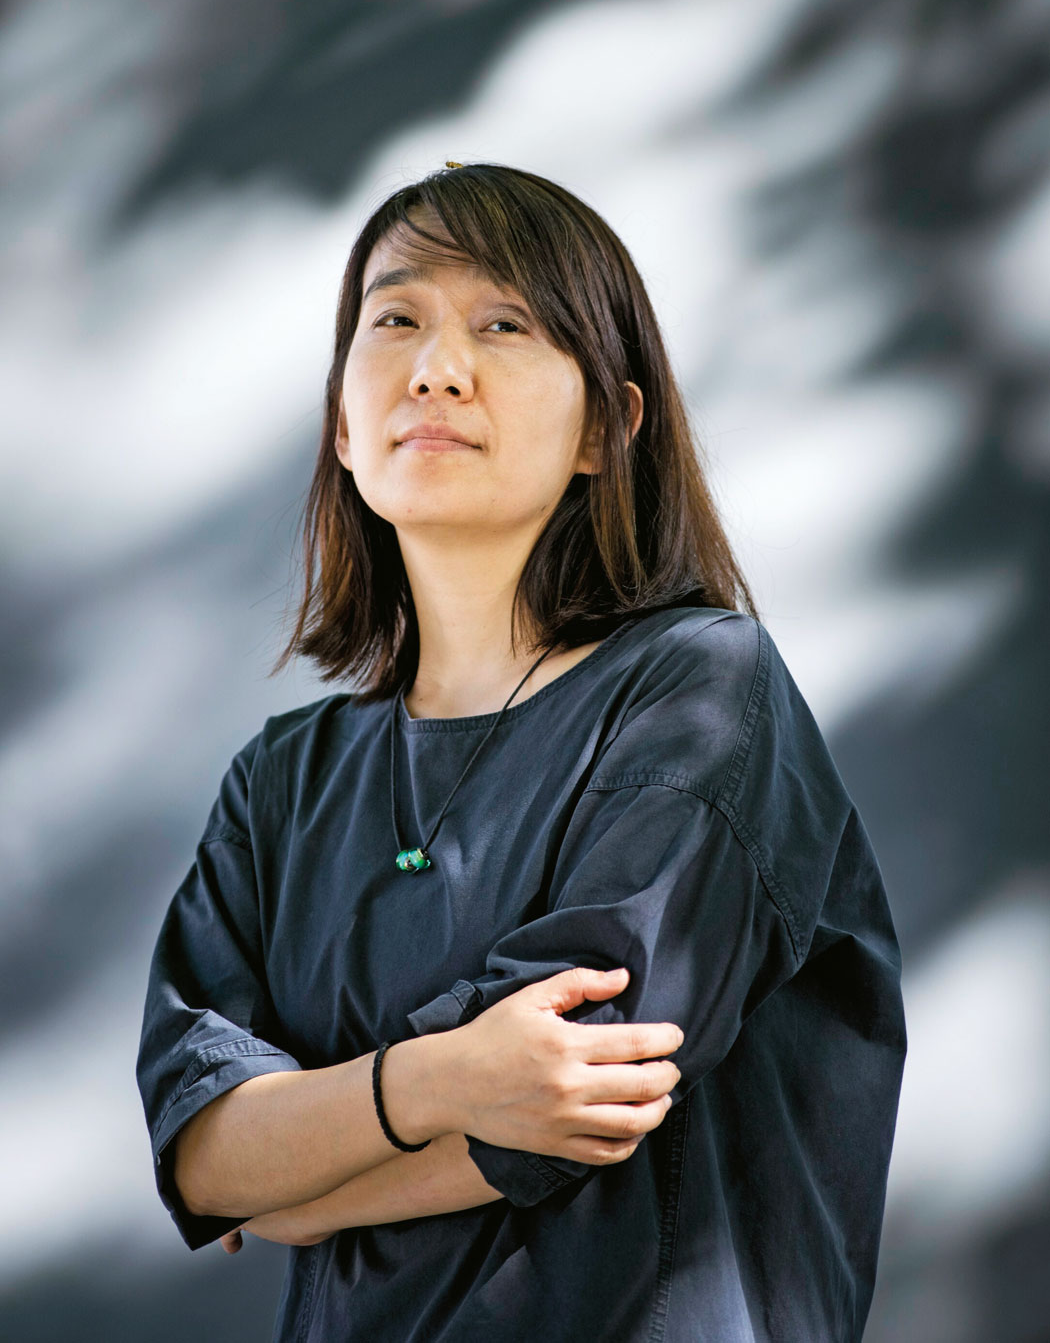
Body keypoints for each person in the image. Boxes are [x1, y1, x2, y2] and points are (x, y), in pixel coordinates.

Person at [135, 161, 907, 1342]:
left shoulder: (701, 687)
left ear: (607, 426)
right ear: (343, 423)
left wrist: (296, 1176)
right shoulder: (279, 784)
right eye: (396, 319)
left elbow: (576, 1091)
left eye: (504, 324)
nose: (437, 368)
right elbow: (199, 1150)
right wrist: (439, 1080)